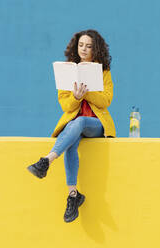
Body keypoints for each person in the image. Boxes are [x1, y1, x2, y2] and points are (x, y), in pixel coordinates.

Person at [27, 29, 116, 223]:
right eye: (81, 45)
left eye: (89, 46)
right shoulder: (67, 71)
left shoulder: (104, 71)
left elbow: (106, 100)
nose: (84, 49)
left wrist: (86, 93)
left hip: (96, 123)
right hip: (73, 124)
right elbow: (65, 105)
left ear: (96, 50)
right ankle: (73, 195)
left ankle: (47, 160)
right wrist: (75, 98)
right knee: (71, 141)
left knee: (80, 121)